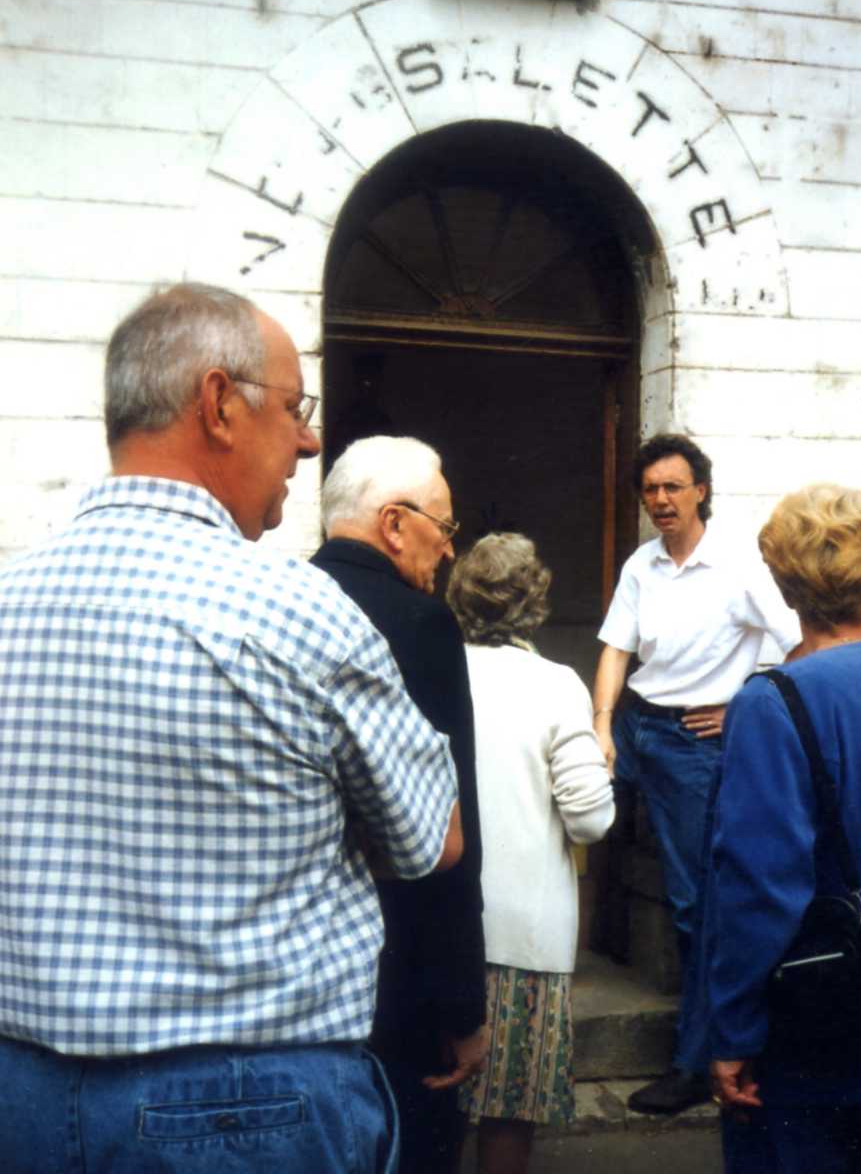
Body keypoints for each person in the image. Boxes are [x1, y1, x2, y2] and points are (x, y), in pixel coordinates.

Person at [0, 283, 463, 1174]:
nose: (309, 439)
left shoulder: (10, 601)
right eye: (295, 408)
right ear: (218, 403)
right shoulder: (295, 609)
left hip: (21, 1093)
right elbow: (430, 840)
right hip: (245, 1108)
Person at [706, 484, 861, 1172]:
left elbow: (759, 891)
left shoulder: (772, 705)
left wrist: (732, 1030)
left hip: (817, 1038)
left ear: (784, 584)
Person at [592, 433, 800, 1114]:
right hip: (637, 725)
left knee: (695, 903)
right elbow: (616, 650)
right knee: (581, 837)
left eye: (672, 487)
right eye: (650, 490)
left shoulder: (738, 566)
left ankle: (696, 1061)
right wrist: (600, 725)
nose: (660, 501)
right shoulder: (642, 564)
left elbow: (799, 646)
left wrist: (744, 702)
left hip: (692, 745)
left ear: (700, 490)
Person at [313, 436, 487, 1174]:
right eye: (445, 530)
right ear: (393, 524)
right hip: (398, 971)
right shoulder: (419, 622)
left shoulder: (286, 598)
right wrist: (462, 1002)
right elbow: (445, 832)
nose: (449, 553)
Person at [447, 533, 615, 1174]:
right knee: (508, 1111)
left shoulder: (434, 670)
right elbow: (591, 817)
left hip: (441, 923)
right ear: (535, 602)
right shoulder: (555, 685)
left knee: (433, 1105)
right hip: (526, 937)